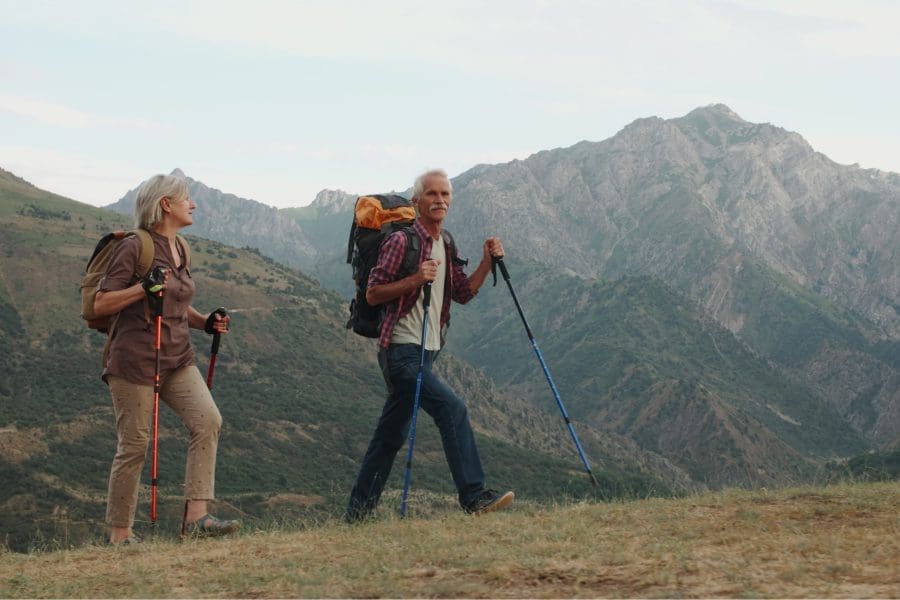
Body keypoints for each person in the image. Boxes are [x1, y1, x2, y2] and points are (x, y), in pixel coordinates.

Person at [346, 168, 514, 522]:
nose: (439, 200)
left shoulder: (446, 242)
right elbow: (373, 293)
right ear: (416, 201)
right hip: (401, 352)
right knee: (453, 410)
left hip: (428, 352)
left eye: (445, 195)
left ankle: (357, 515)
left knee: (389, 437)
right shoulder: (401, 242)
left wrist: (487, 260)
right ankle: (474, 496)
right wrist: (415, 279)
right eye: (432, 194)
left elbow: (464, 292)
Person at [93, 173, 239, 544]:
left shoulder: (182, 249)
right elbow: (102, 302)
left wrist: (205, 321)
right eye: (186, 198)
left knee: (207, 420)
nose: (193, 204)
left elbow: (175, 304)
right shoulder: (135, 247)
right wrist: (142, 288)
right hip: (134, 360)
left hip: (176, 356)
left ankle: (197, 518)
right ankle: (120, 536)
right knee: (135, 444)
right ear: (165, 205)